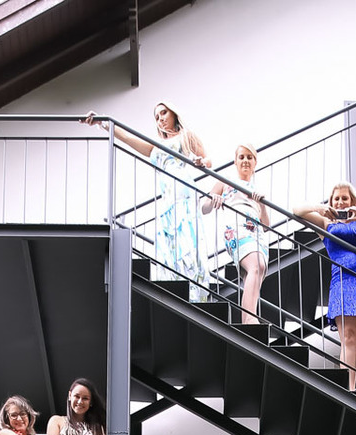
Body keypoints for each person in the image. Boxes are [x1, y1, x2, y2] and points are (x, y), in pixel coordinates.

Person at [89, 102, 211, 299]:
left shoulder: (186, 135)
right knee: (169, 241)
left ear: (173, 113)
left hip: (182, 190)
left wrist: (200, 162)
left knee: (188, 240)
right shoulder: (155, 145)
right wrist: (102, 122)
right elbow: (128, 138)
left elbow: (207, 160)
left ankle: (196, 291)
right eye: (157, 116)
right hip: (166, 197)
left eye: (164, 113)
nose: (160, 118)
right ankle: (175, 285)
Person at [298, 183, 356, 391]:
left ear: (351, 200)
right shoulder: (326, 222)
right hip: (343, 281)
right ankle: (349, 387)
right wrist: (320, 208)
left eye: (344, 198)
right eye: (336, 198)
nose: (340, 202)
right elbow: (297, 211)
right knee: (349, 337)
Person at [204, 143, 270, 322]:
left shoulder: (257, 192)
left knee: (259, 269)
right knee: (256, 266)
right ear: (235, 161)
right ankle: (248, 319)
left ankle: (250, 315)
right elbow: (204, 208)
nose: (245, 161)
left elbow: (266, 225)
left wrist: (262, 204)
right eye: (242, 157)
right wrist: (213, 198)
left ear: (255, 163)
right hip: (237, 228)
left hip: (257, 233)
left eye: (250, 157)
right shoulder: (226, 181)